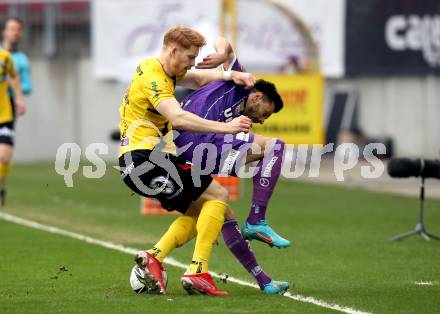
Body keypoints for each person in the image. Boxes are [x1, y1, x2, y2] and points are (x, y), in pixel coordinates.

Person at [118, 25, 256, 296]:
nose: (193, 62)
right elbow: (178, 117)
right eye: (190, 56)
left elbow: (199, 80)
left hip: (137, 165)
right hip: (147, 159)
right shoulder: (154, 77)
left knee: (200, 214)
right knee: (218, 194)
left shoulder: (164, 70)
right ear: (173, 50)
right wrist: (227, 128)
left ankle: (154, 258)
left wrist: (232, 74)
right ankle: (197, 270)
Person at [171, 37, 290, 294]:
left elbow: (227, 48)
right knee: (275, 147)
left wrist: (223, 55)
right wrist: (222, 53)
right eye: (265, 113)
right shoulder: (243, 81)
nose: (262, 120)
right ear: (257, 96)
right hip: (195, 142)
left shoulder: (237, 94)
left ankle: (264, 281)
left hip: (186, 153)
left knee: (224, 213)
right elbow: (225, 42)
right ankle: (257, 220)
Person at [0, 17, 31, 206]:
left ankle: (1, 185)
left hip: (4, 112)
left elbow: (14, 76)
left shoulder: (5, 58)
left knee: (4, 156)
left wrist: (19, 98)